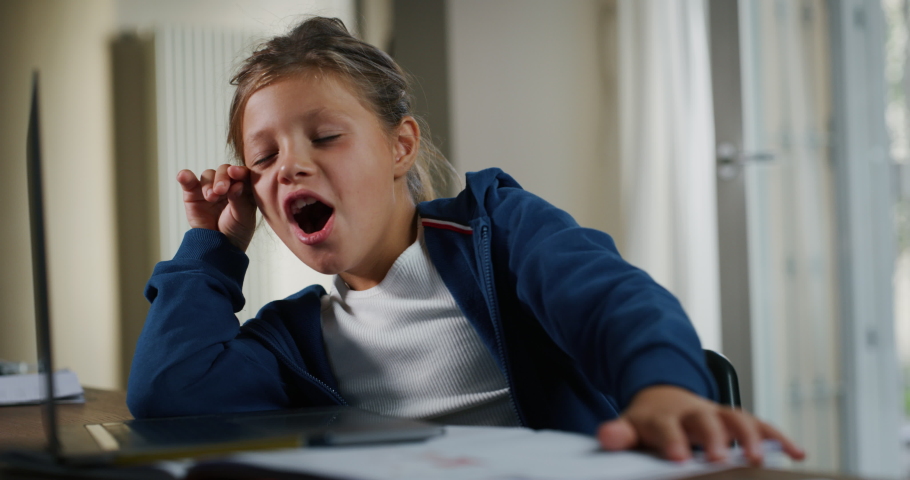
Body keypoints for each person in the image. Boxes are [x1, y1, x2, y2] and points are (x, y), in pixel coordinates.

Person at [127, 16, 805, 466]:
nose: (291, 167)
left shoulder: (497, 230)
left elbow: (610, 298)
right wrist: (211, 249)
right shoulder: (294, 337)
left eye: (326, 137)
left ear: (401, 146)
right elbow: (168, 391)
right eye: (264, 158)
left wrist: (663, 388)